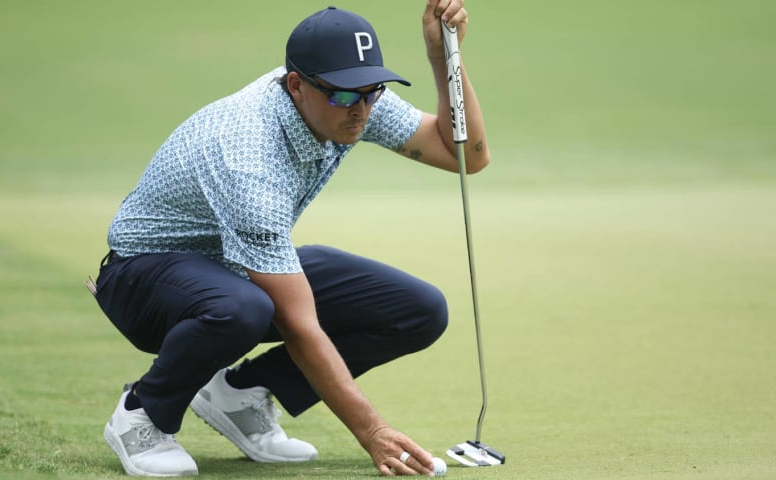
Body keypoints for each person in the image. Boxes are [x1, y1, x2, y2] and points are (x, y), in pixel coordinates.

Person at [91, 1, 488, 477]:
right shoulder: (247, 151)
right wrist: (373, 432)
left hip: (234, 265)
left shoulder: (348, 99)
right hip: (142, 278)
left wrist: (443, 55)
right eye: (346, 95)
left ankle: (240, 394)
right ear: (297, 85)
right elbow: (297, 323)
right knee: (246, 308)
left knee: (418, 309)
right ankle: (143, 414)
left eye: (372, 92)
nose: (361, 109)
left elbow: (464, 154)